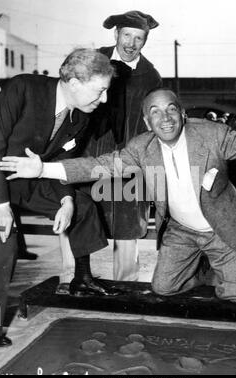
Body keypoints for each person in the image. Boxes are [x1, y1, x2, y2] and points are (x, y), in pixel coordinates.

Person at [3, 88, 236, 304]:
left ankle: (226, 268)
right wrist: (43, 169)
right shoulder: (142, 148)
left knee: (235, 296)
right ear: (146, 121)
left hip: (221, 229)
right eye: (155, 112)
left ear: (182, 113)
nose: (164, 118)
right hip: (181, 231)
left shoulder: (214, 135)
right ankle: (201, 265)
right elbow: (100, 165)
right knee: (163, 289)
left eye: (170, 109)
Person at [0, 49, 118, 347]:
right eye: (100, 91)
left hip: (30, 179)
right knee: (4, 245)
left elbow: (64, 162)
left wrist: (66, 200)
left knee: (83, 203)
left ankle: (82, 278)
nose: (103, 100)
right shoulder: (23, 87)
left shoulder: (81, 116)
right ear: (75, 82)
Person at [85, 10, 162, 282]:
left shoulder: (150, 76)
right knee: (81, 214)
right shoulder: (92, 60)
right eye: (126, 35)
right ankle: (72, 278)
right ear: (116, 34)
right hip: (90, 151)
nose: (131, 43)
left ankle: (125, 283)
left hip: (129, 156)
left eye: (138, 38)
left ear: (145, 41)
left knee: (127, 220)